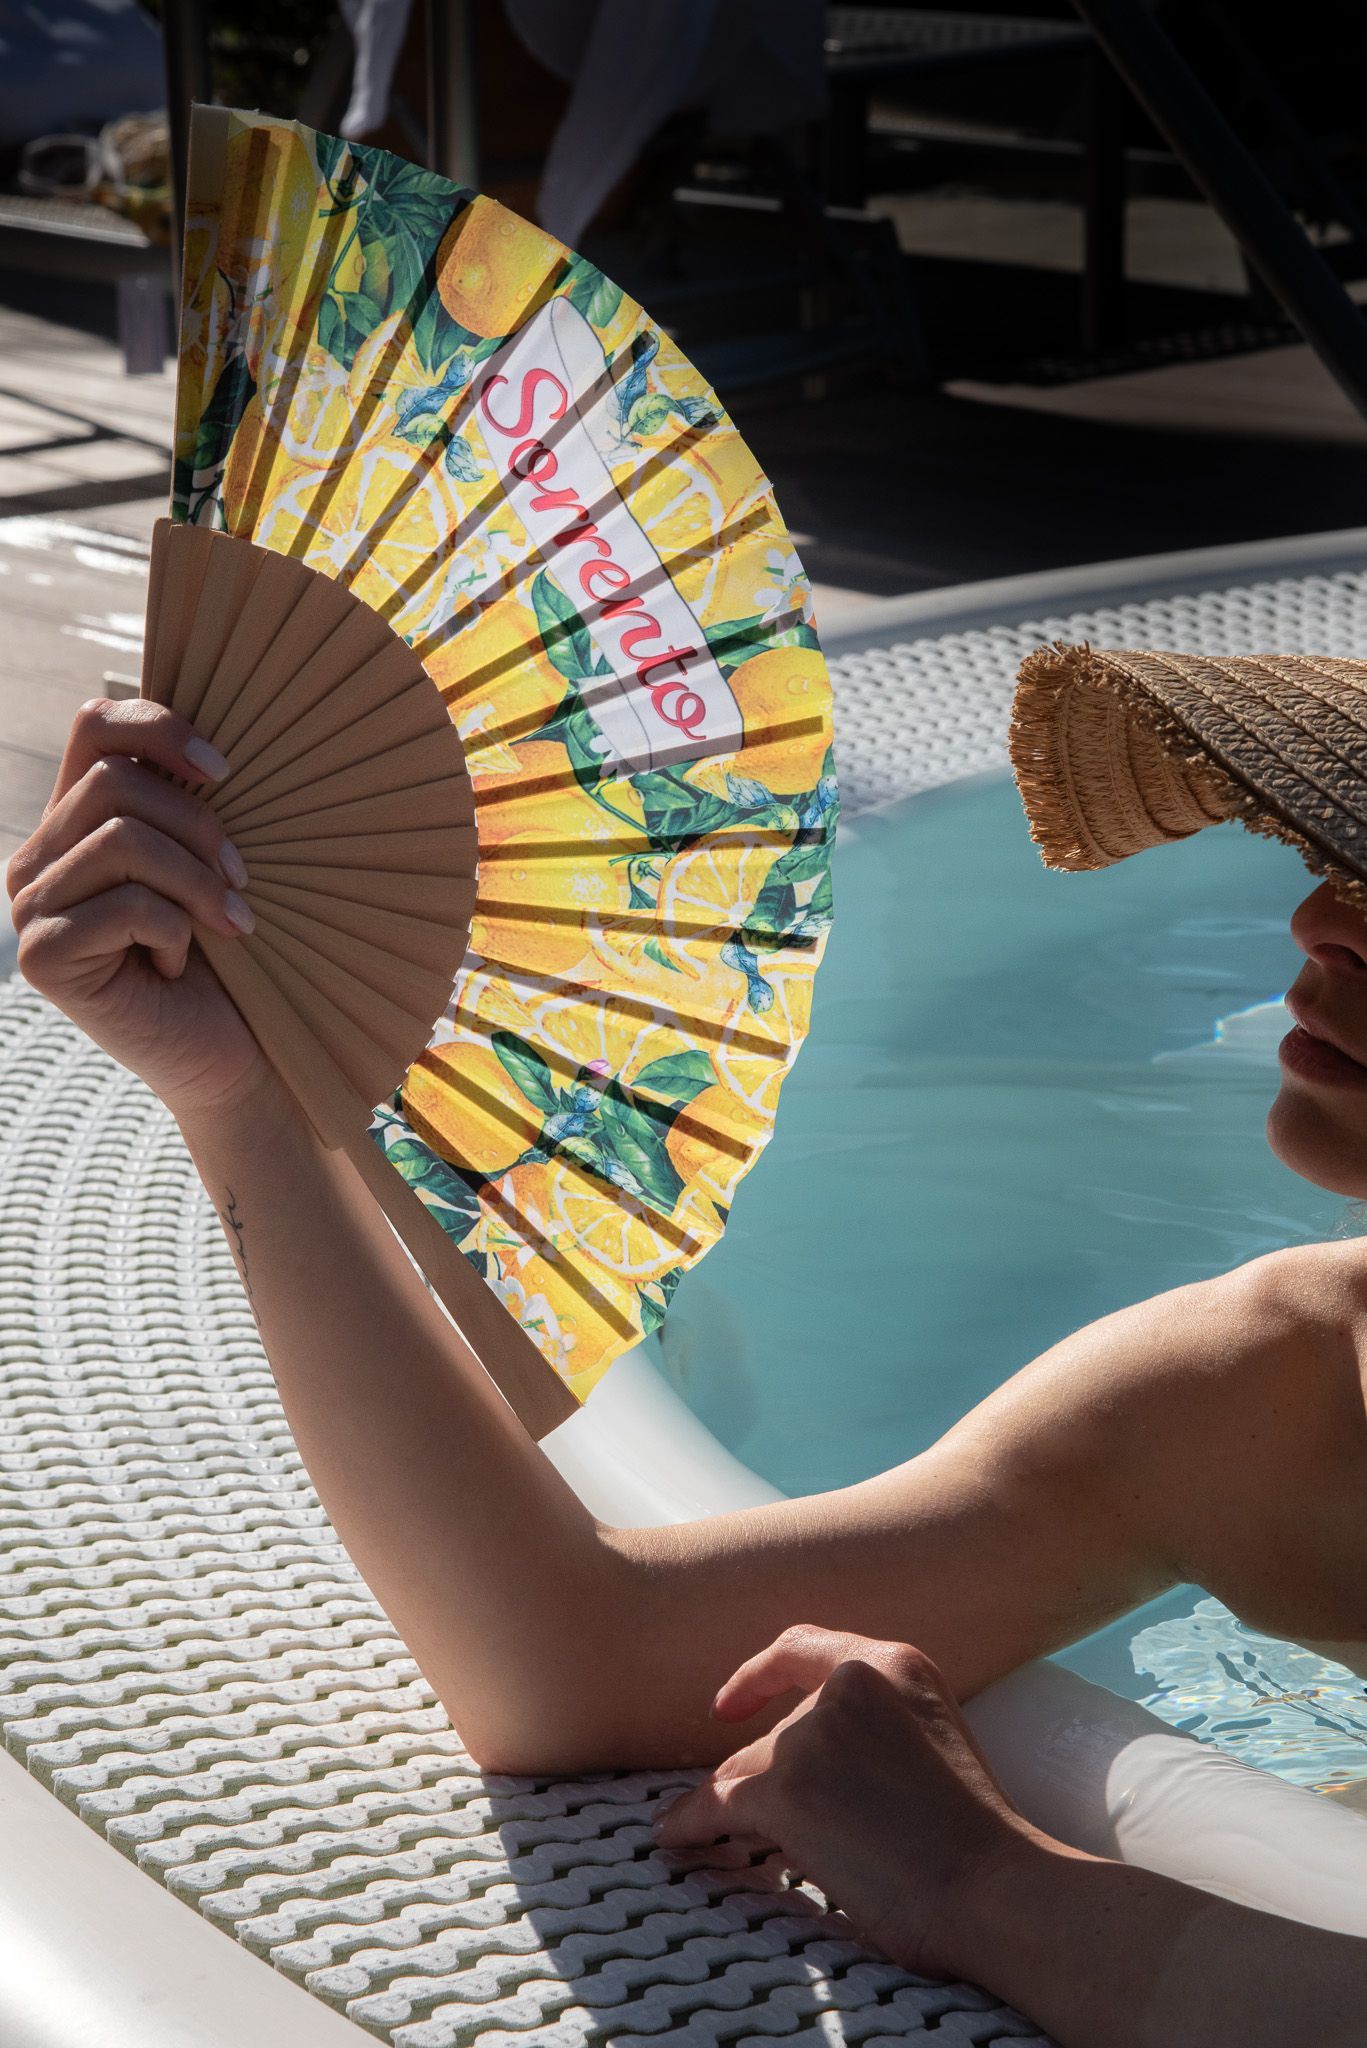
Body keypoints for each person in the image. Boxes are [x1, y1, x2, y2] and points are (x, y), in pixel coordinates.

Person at [7, 646, 1367, 2048]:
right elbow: (573, 1660)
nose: (1326, 919)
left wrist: (982, 1882)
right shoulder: (1269, 1384)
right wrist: (236, 1095)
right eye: (1337, 854)